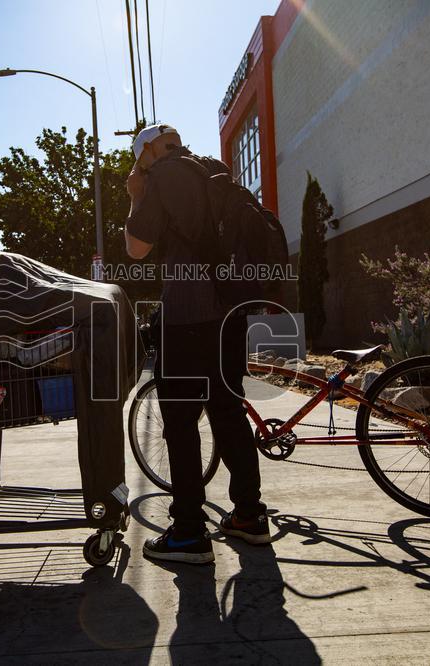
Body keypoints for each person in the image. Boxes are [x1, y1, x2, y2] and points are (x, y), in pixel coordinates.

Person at [124, 124, 270, 565]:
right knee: (229, 413)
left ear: (147, 150)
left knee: (182, 424)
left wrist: (136, 197)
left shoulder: (163, 176)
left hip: (187, 317)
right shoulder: (215, 169)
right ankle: (249, 516)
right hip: (231, 315)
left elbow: (136, 249)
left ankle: (188, 533)